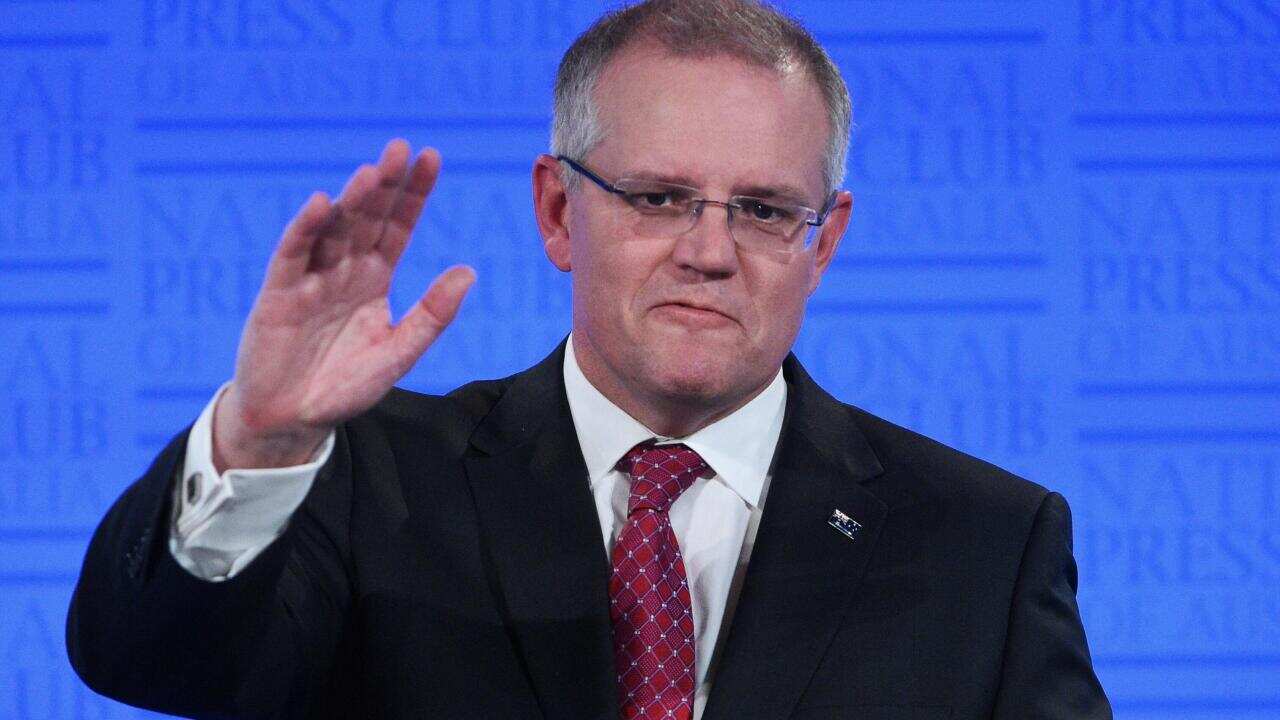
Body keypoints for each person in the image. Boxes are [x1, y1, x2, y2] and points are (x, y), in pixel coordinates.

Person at [66, 1, 1112, 718]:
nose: (707, 251)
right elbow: (151, 662)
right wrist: (264, 437)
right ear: (558, 211)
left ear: (821, 243)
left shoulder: (984, 542)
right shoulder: (368, 481)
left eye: (760, 210)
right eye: (658, 198)